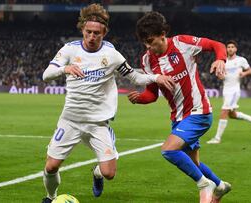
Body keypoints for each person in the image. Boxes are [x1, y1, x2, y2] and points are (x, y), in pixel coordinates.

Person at [41, 4, 174, 203]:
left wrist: (156, 78)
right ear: (82, 31)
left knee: (109, 173)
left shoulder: (112, 55)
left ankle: (96, 172)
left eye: (96, 33)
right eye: (88, 32)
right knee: (51, 166)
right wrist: (65, 69)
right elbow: (46, 76)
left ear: (104, 32)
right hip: (70, 120)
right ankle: (50, 198)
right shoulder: (69, 50)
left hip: (97, 123)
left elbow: (135, 78)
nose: (92, 36)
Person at [127, 11, 231, 203]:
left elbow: (217, 45)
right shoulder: (147, 60)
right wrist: (139, 98)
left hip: (199, 112)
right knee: (193, 162)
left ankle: (204, 184)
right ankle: (220, 185)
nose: (149, 46)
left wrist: (220, 59)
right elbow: (152, 94)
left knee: (169, 150)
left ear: (162, 33)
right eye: (145, 43)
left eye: (151, 41)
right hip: (178, 117)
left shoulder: (182, 43)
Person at [207, 40, 251, 144]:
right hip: (226, 90)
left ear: (236, 49)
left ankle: (217, 138)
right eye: (228, 47)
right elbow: (221, 75)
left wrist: (244, 74)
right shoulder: (223, 61)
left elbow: (250, 70)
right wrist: (220, 76)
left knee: (224, 112)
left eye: (232, 47)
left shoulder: (241, 60)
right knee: (232, 115)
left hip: (234, 91)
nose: (230, 48)